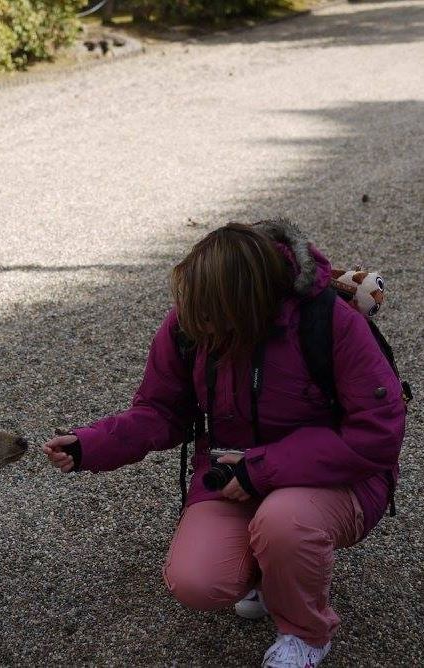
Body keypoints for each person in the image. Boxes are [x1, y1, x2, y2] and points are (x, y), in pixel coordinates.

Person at [42, 219, 406, 667]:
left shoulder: (328, 322)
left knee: (286, 522)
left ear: (248, 301)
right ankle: (272, 575)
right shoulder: (191, 322)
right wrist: (88, 444)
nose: (200, 325)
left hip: (339, 481)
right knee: (197, 581)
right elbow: (159, 410)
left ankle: (307, 634)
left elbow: (378, 434)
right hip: (236, 476)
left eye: (211, 314)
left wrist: (262, 468)